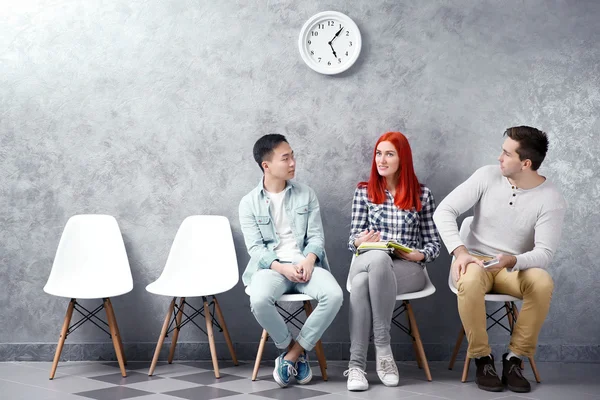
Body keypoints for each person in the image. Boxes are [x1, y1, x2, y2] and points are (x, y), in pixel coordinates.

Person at [433, 126, 567, 393]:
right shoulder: (487, 176)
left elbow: (545, 253)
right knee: (469, 281)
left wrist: (512, 261)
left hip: (513, 268)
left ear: (526, 163)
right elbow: (444, 211)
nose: (499, 158)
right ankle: (483, 359)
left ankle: (514, 359)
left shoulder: (550, 199)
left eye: (506, 153)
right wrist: (460, 251)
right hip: (475, 262)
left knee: (542, 282)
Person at [239, 134, 343, 388]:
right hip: (272, 268)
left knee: (334, 295)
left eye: (293, 155)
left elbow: (316, 236)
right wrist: (282, 267)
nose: (293, 162)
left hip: (306, 264)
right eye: (286, 158)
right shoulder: (248, 203)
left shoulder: (306, 194)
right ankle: (289, 348)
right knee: (259, 299)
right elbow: (256, 248)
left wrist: (308, 262)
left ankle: (293, 356)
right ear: (267, 165)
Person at [344, 131, 441, 391]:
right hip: (368, 258)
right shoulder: (364, 192)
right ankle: (384, 351)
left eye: (389, 154)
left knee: (363, 283)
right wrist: (361, 240)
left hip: (407, 268)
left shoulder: (422, 194)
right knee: (375, 258)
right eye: (378, 153)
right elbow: (352, 239)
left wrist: (417, 254)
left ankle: (356, 366)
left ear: (403, 158)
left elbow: (434, 244)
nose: (381, 160)